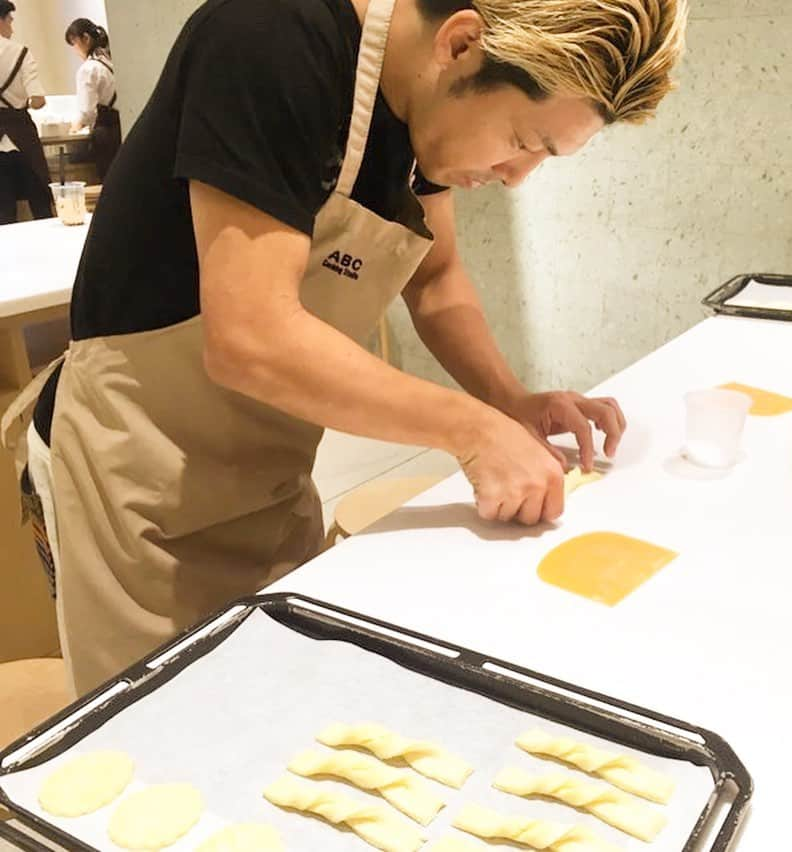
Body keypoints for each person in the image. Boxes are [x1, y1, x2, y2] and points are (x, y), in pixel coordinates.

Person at [2, 0, 686, 697]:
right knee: (160, 743)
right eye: (523, 139)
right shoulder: (268, 39)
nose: (517, 176)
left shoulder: (417, 113)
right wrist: (472, 431)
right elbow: (251, 340)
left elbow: (438, 277)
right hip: (136, 485)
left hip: (270, 479)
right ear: (461, 45)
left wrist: (511, 402)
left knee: (287, 713)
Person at [0, 0, 52, 224]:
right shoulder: (20, 52)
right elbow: (38, 100)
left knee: (3, 214)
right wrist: (25, 103)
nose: (12, 27)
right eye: (10, 21)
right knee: (40, 206)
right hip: (22, 136)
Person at [65, 18, 121, 181]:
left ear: (85, 39)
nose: (75, 50)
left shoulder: (88, 69)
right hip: (122, 128)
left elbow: (87, 112)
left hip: (107, 132)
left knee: (108, 180)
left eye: (74, 43)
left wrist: (74, 127)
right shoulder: (110, 60)